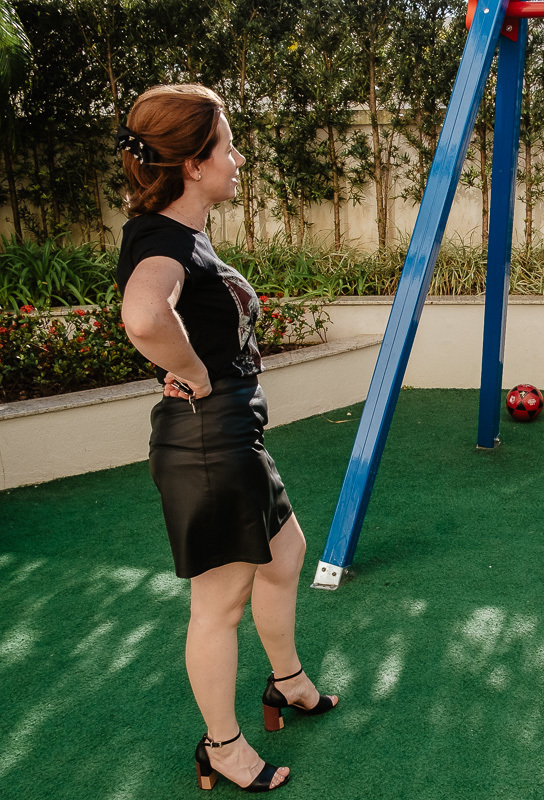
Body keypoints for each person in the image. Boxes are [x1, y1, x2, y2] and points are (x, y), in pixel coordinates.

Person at [114, 84, 337, 793]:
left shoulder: (182, 236)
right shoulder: (162, 241)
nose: (238, 160)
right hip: (208, 443)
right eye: (229, 148)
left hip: (234, 437)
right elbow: (144, 316)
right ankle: (222, 746)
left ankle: (287, 682)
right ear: (193, 165)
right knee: (219, 606)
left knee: (287, 551)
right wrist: (193, 373)